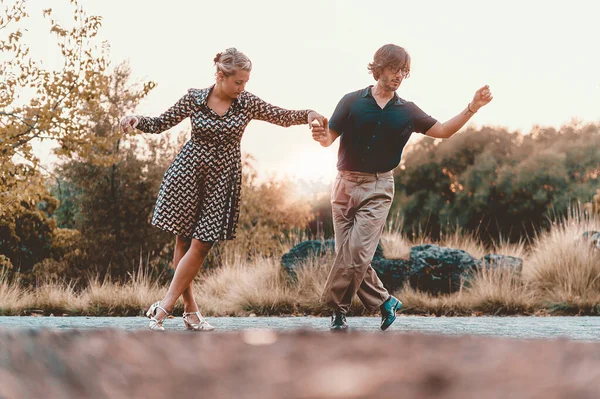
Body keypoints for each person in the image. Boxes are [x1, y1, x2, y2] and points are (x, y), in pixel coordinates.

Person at [120, 47, 325, 331]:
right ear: (220, 76)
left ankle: (164, 306)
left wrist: (307, 114)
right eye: (238, 82)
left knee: (201, 244)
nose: (242, 87)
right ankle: (189, 311)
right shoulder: (194, 98)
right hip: (188, 175)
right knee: (183, 242)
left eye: (245, 82)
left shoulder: (247, 103)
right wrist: (137, 120)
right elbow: (160, 123)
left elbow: (280, 115)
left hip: (221, 182)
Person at [311, 44, 493, 331]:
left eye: (404, 72)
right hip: (344, 185)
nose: (399, 76)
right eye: (395, 69)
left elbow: (443, 131)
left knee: (356, 253)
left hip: (378, 187)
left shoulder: (407, 111)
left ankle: (335, 309)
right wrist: (321, 134)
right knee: (345, 254)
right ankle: (383, 303)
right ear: (379, 67)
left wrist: (472, 108)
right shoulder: (351, 101)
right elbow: (327, 139)